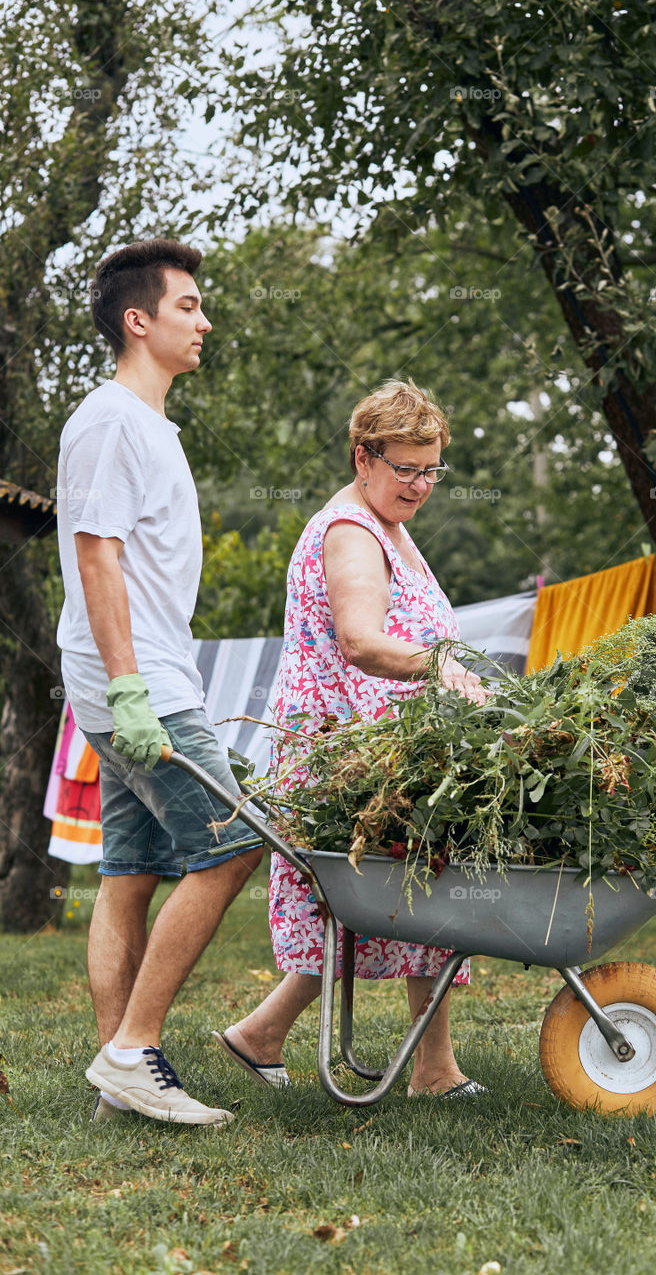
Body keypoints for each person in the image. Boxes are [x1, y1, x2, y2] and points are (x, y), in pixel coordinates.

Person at [213, 380, 487, 1097]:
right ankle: (422, 1066)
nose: (421, 484)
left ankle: (273, 1037)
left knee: (396, 901)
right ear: (363, 457)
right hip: (345, 751)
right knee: (390, 899)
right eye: (406, 468)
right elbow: (361, 642)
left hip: (376, 747)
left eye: (432, 470)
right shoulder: (351, 533)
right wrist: (443, 667)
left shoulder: (384, 521)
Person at [55, 240, 263, 1126]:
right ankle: (136, 1051)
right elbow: (96, 557)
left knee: (130, 873)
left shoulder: (146, 423)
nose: (204, 320)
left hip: (138, 674)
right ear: (138, 321)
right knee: (235, 844)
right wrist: (134, 688)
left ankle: (119, 1076)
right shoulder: (109, 420)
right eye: (188, 306)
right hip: (134, 682)